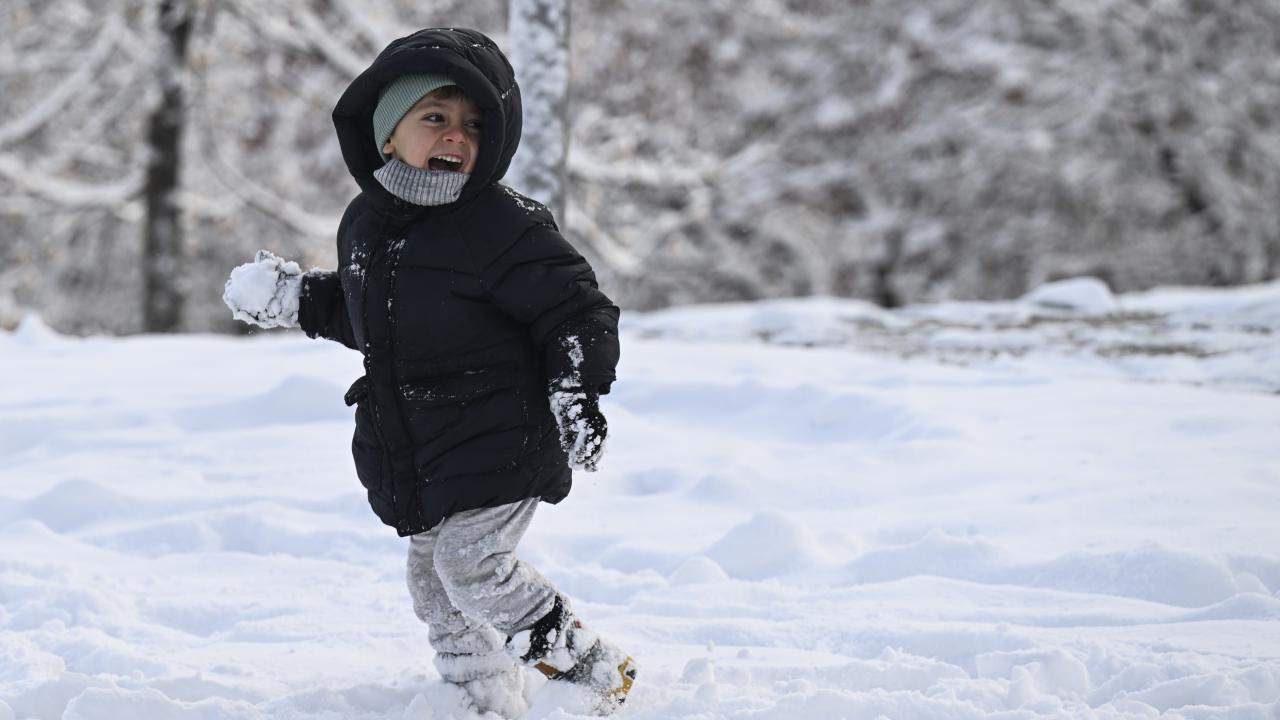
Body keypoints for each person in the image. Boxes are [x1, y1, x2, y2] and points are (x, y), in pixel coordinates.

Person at [222, 27, 634, 718]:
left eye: (474, 125)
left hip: (504, 435)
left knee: (471, 567)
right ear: (388, 132)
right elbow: (375, 320)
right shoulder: (366, 224)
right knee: (434, 584)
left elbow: (575, 309)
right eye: (435, 118)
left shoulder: (504, 226)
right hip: (425, 446)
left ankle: (592, 672)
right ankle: (478, 697)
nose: (457, 136)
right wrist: (298, 298)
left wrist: (574, 388)